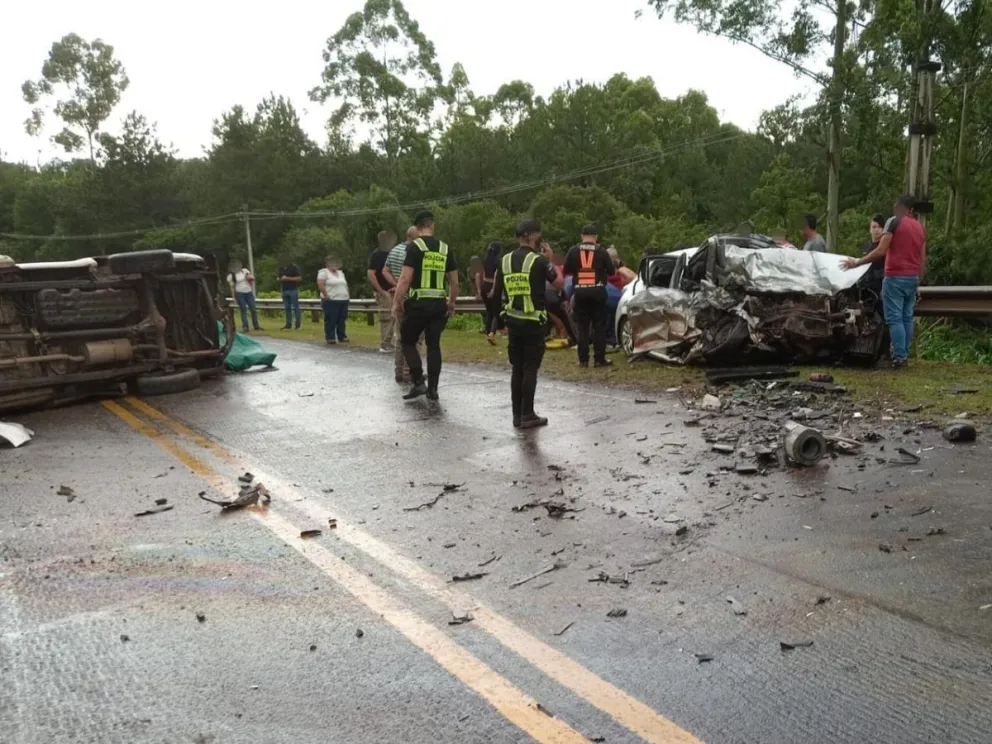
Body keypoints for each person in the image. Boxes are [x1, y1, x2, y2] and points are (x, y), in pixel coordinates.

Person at [493, 219, 563, 428]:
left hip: (513, 320)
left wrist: (497, 323)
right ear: (532, 236)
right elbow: (558, 284)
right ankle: (528, 414)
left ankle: (516, 415)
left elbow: (497, 293)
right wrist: (550, 260)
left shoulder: (504, 260)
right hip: (533, 321)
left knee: (517, 368)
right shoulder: (540, 261)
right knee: (530, 367)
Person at [842, 195, 926, 369]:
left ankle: (899, 358)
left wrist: (857, 262)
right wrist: (918, 280)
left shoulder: (893, 222)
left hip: (895, 276)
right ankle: (904, 353)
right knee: (906, 317)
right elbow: (922, 257)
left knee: (894, 318)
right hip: (912, 277)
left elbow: (881, 250)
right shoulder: (919, 227)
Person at [391, 211, 459, 400]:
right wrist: (452, 303)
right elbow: (454, 282)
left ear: (417, 227)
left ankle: (418, 382)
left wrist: (396, 303)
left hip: (418, 304)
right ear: (432, 226)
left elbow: (405, 279)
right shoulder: (445, 249)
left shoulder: (414, 247)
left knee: (407, 341)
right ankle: (434, 389)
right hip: (439, 305)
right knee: (434, 345)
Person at [563, 224, 615, 367]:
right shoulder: (602, 251)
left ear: (581, 236)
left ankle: (583, 360)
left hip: (580, 291)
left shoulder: (573, 251)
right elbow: (611, 271)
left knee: (582, 327)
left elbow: (566, 269)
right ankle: (599, 359)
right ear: (596, 237)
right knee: (599, 326)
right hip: (598, 291)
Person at [383, 226, 422, 383]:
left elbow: (385, 270)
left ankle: (398, 371)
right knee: (416, 337)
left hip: (398, 297)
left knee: (401, 336)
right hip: (412, 296)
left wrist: (396, 283)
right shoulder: (416, 251)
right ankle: (411, 371)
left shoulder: (394, 250)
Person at [368, 230, 396, 353]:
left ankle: (390, 341)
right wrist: (380, 290)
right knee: (386, 317)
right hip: (383, 291)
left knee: (395, 316)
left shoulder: (392, 253)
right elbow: (371, 273)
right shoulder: (376, 255)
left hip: (394, 289)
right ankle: (385, 343)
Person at [317, 255, 350, 344]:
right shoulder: (324, 272)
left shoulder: (341, 273)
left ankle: (342, 336)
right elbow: (320, 284)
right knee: (331, 319)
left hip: (343, 299)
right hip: (331, 300)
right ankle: (330, 337)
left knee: (342, 319)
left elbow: (344, 285)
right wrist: (326, 295)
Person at [227, 260, 261, 332]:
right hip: (239, 293)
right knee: (243, 310)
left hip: (248, 292)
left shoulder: (244, 271)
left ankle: (256, 325)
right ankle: (245, 326)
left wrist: (248, 277)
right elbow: (232, 288)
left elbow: (252, 278)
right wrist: (234, 297)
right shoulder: (231, 276)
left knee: (253, 309)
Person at [481, 242, 502, 344]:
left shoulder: (485, 260)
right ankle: (492, 333)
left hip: (484, 285)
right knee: (496, 312)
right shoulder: (498, 261)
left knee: (489, 310)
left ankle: (487, 329)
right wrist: (493, 290)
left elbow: (483, 274)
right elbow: (496, 276)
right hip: (492, 286)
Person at [278, 258, 303, 329]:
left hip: (293, 289)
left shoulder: (294, 267)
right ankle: (288, 324)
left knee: (295, 307)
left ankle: (297, 324)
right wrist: (280, 279)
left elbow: (299, 278)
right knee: (287, 308)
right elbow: (279, 278)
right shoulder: (281, 268)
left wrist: (287, 278)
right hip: (284, 290)